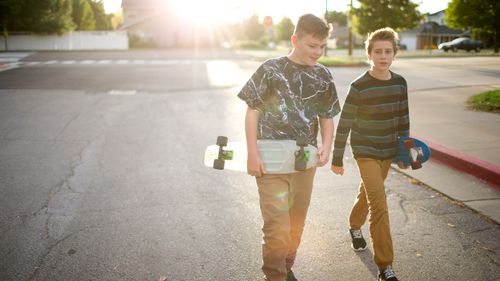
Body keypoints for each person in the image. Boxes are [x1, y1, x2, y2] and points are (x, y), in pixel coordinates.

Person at [237, 14, 341, 281]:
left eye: (322, 47)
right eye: (312, 46)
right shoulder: (270, 69)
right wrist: (252, 154)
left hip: (304, 164)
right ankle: (274, 275)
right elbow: (252, 113)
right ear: (295, 40)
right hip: (270, 163)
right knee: (277, 228)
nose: (318, 52)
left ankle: (286, 264)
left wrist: (326, 147)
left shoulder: (323, 75)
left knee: (296, 224)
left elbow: (326, 117)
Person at [330, 27, 410, 281]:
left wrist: (404, 151)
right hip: (364, 149)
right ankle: (385, 265)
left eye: (388, 51)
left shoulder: (399, 83)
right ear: (370, 54)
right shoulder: (359, 85)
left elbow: (403, 119)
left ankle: (354, 226)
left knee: (368, 193)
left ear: (394, 55)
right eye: (378, 52)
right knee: (379, 203)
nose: (383, 56)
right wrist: (337, 156)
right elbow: (345, 123)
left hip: (387, 150)